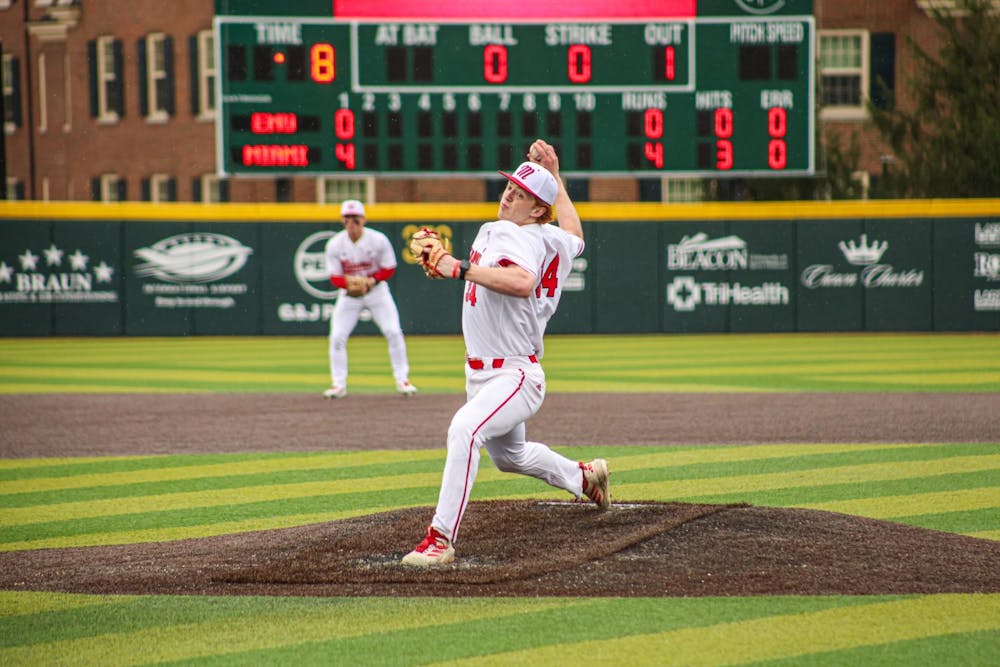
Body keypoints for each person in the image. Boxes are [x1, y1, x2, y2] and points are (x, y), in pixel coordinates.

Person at [402, 139, 609, 566]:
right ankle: (584, 477)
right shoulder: (549, 237)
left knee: (464, 431)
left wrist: (457, 266)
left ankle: (439, 539)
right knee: (510, 456)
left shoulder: (509, 233)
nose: (509, 193)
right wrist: (555, 176)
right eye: (509, 186)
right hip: (488, 372)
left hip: (513, 373)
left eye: (520, 193)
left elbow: (522, 282)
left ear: (536, 210)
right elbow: (576, 234)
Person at [323, 199, 417, 398]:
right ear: (342, 220)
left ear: (363, 219)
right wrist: (350, 285)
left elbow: (389, 267)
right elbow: (334, 276)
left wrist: (372, 281)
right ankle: (338, 385)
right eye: (347, 218)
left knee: (393, 331)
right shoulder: (335, 244)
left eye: (355, 218)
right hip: (350, 296)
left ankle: (403, 379)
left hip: (377, 292)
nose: (351, 222)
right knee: (337, 336)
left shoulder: (378, 239)